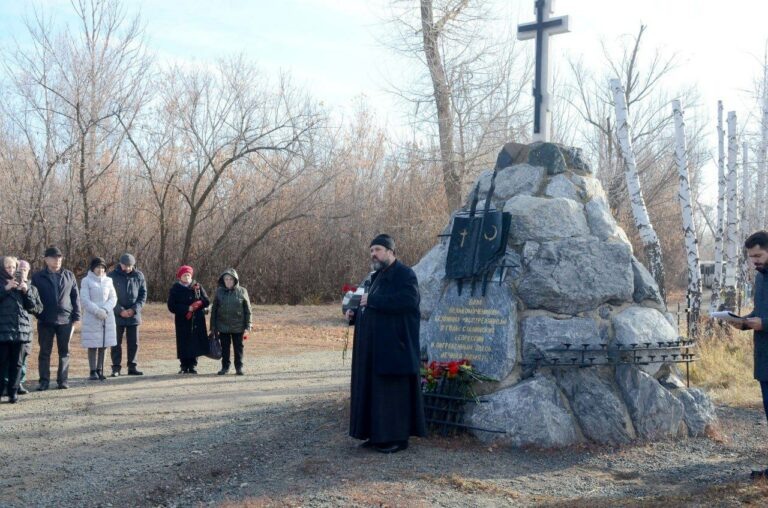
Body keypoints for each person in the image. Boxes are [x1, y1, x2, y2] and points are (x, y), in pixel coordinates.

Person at [346, 234, 426, 453]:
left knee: (393, 395)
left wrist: (372, 301)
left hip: (395, 348)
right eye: (372, 250)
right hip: (375, 349)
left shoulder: (405, 274)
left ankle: (397, 439)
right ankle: (377, 435)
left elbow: (409, 301)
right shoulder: (376, 276)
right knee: (376, 393)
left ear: (391, 251)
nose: (374, 254)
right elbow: (369, 304)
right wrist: (356, 313)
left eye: (378, 249)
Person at [735, 231, 768, 478]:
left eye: (758, 255)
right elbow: (759, 312)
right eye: (751, 256)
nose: (754, 260)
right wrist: (743, 322)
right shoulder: (760, 280)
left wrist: (764, 324)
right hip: (765, 362)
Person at [31, 246, 80, 390]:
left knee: (64, 352)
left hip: (65, 320)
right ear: (46, 259)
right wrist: (38, 314)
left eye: (59, 257)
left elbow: (75, 297)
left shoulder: (69, 275)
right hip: (45, 320)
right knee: (45, 352)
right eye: (54, 257)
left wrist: (77, 316)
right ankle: (44, 381)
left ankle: (63, 380)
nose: (57, 260)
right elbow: (33, 299)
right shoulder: (37, 277)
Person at [0, 256, 43, 403]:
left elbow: (35, 308)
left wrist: (26, 291)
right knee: (2, 362)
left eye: (13, 267)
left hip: (21, 331)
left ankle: (13, 392)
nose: (11, 270)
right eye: (7, 267)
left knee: (17, 363)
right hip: (2, 330)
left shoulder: (27, 285)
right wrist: (5, 289)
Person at [108, 253, 147, 377]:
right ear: (120, 264)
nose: (128, 268)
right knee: (115, 342)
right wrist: (120, 310)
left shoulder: (139, 275)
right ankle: (116, 368)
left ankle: (132, 366)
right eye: (126, 265)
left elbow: (143, 295)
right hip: (117, 315)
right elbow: (109, 295)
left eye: (130, 266)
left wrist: (134, 309)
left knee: (133, 343)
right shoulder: (111, 276)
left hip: (133, 315)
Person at [80, 257, 118, 381]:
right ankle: (92, 371)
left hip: (107, 316)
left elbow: (113, 298)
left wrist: (105, 310)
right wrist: (97, 311)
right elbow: (84, 299)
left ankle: (100, 369)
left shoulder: (109, 280)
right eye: (98, 267)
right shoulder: (86, 281)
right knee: (93, 345)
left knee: (104, 344)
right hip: (92, 316)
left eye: (102, 267)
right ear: (92, 268)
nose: (100, 270)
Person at [167, 265, 210, 374]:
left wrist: (199, 303)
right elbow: (171, 306)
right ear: (180, 277)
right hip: (182, 320)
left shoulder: (197, 287)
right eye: (184, 275)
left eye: (188, 275)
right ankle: (184, 365)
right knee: (183, 342)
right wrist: (187, 308)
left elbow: (206, 301)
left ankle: (193, 365)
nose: (187, 277)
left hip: (196, 320)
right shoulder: (175, 289)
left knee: (195, 342)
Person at [210, 268, 252, 376]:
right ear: (223, 280)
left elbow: (248, 310)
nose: (228, 281)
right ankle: (225, 367)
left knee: (238, 348)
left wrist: (248, 326)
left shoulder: (243, 291)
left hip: (238, 326)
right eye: (226, 279)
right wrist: (213, 326)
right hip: (223, 326)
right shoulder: (219, 292)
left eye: (230, 279)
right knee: (225, 348)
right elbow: (214, 310)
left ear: (235, 280)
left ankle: (239, 367)